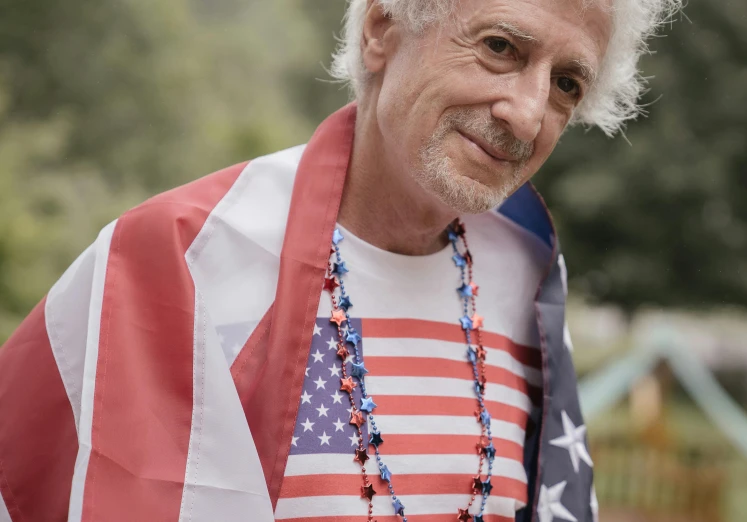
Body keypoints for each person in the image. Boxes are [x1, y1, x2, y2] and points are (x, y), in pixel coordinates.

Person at [0, 0, 680, 520]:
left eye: (565, 84)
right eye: (500, 47)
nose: (527, 114)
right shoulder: (181, 255)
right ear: (382, 28)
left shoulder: (528, 276)